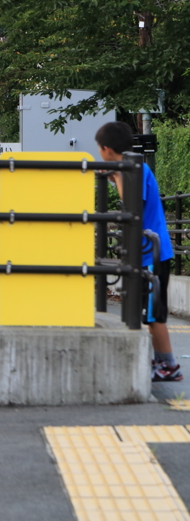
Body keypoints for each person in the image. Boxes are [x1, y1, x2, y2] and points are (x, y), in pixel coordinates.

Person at [96, 121, 181, 382]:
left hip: (153, 254)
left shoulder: (137, 169)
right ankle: (159, 361)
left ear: (106, 149)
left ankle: (169, 366)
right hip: (145, 253)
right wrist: (113, 175)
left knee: (155, 314)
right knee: (146, 310)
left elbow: (131, 204)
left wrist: (116, 177)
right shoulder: (132, 168)